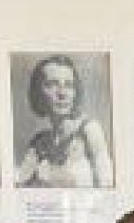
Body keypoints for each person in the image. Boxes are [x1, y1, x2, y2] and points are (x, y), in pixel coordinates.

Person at [16, 54, 114, 188]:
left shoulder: (89, 130)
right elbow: (18, 187)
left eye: (69, 85)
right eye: (52, 84)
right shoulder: (39, 144)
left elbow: (108, 185)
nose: (62, 93)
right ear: (38, 91)